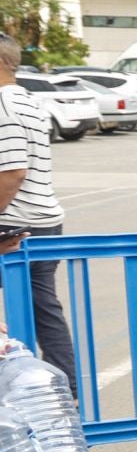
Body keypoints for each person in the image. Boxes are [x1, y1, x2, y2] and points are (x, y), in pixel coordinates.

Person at [0, 32, 80, 390]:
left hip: (12, 223)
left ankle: (32, 392)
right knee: (43, 310)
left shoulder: (2, 104)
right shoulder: (28, 101)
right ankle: (65, 391)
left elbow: (13, 172)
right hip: (44, 221)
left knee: (38, 309)